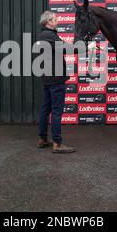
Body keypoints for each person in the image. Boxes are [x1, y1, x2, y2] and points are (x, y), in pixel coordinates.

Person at [36, 11, 95, 153]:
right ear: (49, 22)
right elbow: (69, 48)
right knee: (56, 111)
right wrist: (87, 47)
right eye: (55, 19)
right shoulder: (50, 36)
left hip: (47, 78)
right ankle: (57, 143)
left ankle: (42, 139)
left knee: (45, 109)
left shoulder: (42, 35)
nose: (58, 21)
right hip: (56, 79)